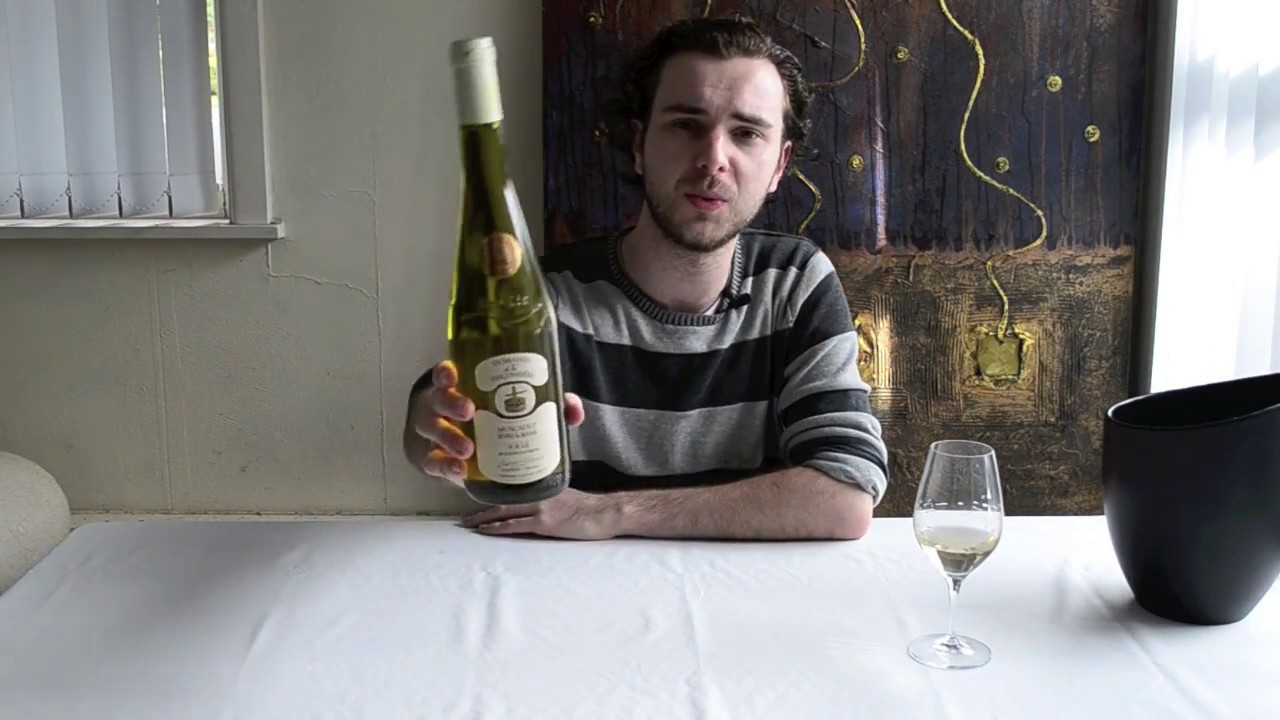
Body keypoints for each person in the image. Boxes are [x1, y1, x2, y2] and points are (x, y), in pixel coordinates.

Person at [404, 16, 889, 541]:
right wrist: (432, 428)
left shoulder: (794, 284)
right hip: (573, 581)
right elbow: (434, 422)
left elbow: (845, 497)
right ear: (639, 144)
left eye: (746, 133)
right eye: (685, 125)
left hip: (742, 585)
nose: (713, 160)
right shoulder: (549, 293)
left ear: (778, 165)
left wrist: (612, 513)